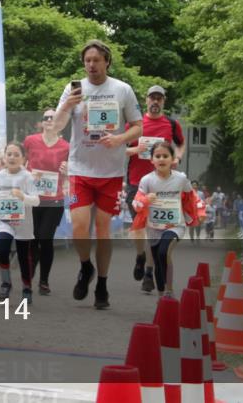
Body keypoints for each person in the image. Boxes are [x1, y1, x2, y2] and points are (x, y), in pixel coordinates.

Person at [50, 39, 142, 309]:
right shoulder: (73, 89)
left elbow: (138, 127)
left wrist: (120, 139)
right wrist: (67, 105)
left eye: (96, 60)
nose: (91, 65)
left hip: (111, 172)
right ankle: (85, 267)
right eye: (87, 61)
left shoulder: (122, 90)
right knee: (78, 228)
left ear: (107, 62)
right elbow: (55, 128)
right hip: (80, 168)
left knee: (103, 231)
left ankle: (102, 284)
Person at [125, 85, 185, 292]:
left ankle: (149, 272)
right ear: (146, 100)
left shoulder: (171, 124)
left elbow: (180, 143)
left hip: (162, 185)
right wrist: (136, 149)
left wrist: (177, 157)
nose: (156, 102)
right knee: (139, 227)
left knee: (155, 228)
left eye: (159, 98)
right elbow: (121, 148)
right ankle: (141, 256)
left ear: (164, 101)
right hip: (136, 182)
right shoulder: (135, 124)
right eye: (153, 98)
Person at [131, 141, 198, 296]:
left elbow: (190, 198)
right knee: (156, 258)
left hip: (175, 225)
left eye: (165, 156)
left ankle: (169, 290)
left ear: (173, 159)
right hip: (154, 227)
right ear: (152, 160)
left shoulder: (181, 179)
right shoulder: (147, 180)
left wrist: (194, 217)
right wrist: (147, 199)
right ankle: (162, 295)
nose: (161, 159)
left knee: (164, 252)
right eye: (158, 156)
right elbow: (136, 203)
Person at [23, 107, 69, 295]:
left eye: (53, 117)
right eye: (46, 117)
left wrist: (67, 171)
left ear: (59, 122)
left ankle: (44, 280)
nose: (49, 120)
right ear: (41, 122)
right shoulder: (30, 141)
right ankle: (30, 274)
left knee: (45, 238)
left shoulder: (66, 146)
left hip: (54, 199)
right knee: (33, 239)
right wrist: (25, 174)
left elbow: (69, 175)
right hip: (33, 198)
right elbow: (22, 163)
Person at [0, 142, 40, 303]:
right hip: (5, 221)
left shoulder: (27, 177)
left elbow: (36, 200)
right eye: (9, 154)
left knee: (23, 257)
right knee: (2, 251)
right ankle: (6, 283)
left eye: (17, 155)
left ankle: (26, 287)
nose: (12, 157)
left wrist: (23, 197)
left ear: (24, 158)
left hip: (23, 224)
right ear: (4, 157)